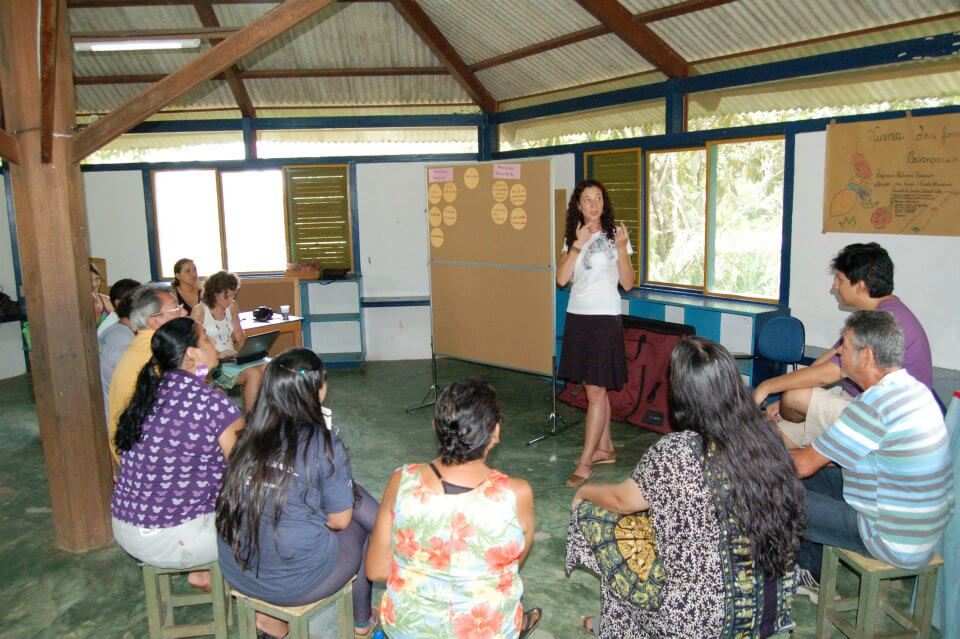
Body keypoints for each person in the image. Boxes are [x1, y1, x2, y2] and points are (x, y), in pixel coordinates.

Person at [567, 337, 804, 638]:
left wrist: (585, 492)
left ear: (682, 392)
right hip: (770, 611)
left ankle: (619, 628)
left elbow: (620, 500)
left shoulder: (677, 450)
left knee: (598, 521)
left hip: (701, 621)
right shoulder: (768, 437)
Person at [217, 349, 380, 639]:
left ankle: (271, 620)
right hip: (295, 582)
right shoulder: (322, 443)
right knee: (361, 524)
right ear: (316, 390)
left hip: (237, 569)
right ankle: (361, 621)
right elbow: (339, 522)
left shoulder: (247, 435)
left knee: (342, 495)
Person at [791, 310, 953, 601]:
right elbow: (828, 458)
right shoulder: (915, 391)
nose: (839, 350)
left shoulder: (874, 405)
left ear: (865, 356)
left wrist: (749, 454)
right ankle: (808, 571)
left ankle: (785, 574)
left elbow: (802, 465)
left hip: (890, 539)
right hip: (920, 532)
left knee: (779, 490)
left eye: (845, 345)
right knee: (819, 477)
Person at [366, 380, 539, 639]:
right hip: (487, 631)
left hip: (408, 629)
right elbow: (513, 560)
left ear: (436, 427)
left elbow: (377, 570)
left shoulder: (401, 482)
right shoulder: (517, 494)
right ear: (495, 432)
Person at [754, 242, 933, 448]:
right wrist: (782, 403)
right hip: (855, 400)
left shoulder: (886, 322)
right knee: (770, 440)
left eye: (839, 279)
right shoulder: (876, 314)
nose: (834, 287)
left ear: (861, 286)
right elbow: (828, 361)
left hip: (885, 420)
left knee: (795, 397)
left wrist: (767, 387)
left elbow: (828, 375)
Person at [111, 318, 244, 589]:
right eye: (206, 338)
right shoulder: (210, 403)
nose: (214, 343)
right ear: (192, 354)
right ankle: (265, 616)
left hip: (126, 528)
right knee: (270, 522)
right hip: (173, 538)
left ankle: (206, 573)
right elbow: (245, 468)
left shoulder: (149, 392)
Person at [556, 180, 635, 487]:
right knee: (594, 388)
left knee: (595, 392)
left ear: (604, 202)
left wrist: (620, 249)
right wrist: (576, 245)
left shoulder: (616, 235)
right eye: (587, 199)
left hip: (604, 318)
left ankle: (586, 462)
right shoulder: (573, 237)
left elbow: (628, 283)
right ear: (578, 205)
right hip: (578, 316)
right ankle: (605, 448)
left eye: (598, 198)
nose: (593, 204)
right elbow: (562, 279)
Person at [107, 285, 187, 461]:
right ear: (153, 320)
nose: (184, 313)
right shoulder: (157, 352)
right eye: (176, 308)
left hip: (131, 446)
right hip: (142, 453)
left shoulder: (141, 343)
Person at [189, 270, 263, 413]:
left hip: (232, 358)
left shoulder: (232, 306)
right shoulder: (199, 311)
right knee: (253, 374)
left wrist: (246, 351)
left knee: (269, 368)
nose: (230, 301)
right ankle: (252, 420)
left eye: (233, 296)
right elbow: (194, 344)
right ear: (215, 293)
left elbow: (238, 332)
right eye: (227, 297)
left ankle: (265, 415)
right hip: (214, 363)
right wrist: (219, 354)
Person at [98, 279, 142, 420]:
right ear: (119, 303)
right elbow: (134, 382)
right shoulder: (118, 336)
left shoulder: (120, 328)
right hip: (118, 415)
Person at [89, 263, 114, 327]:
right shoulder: (77, 305)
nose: (94, 284)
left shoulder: (106, 300)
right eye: (90, 280)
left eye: (97, 279)